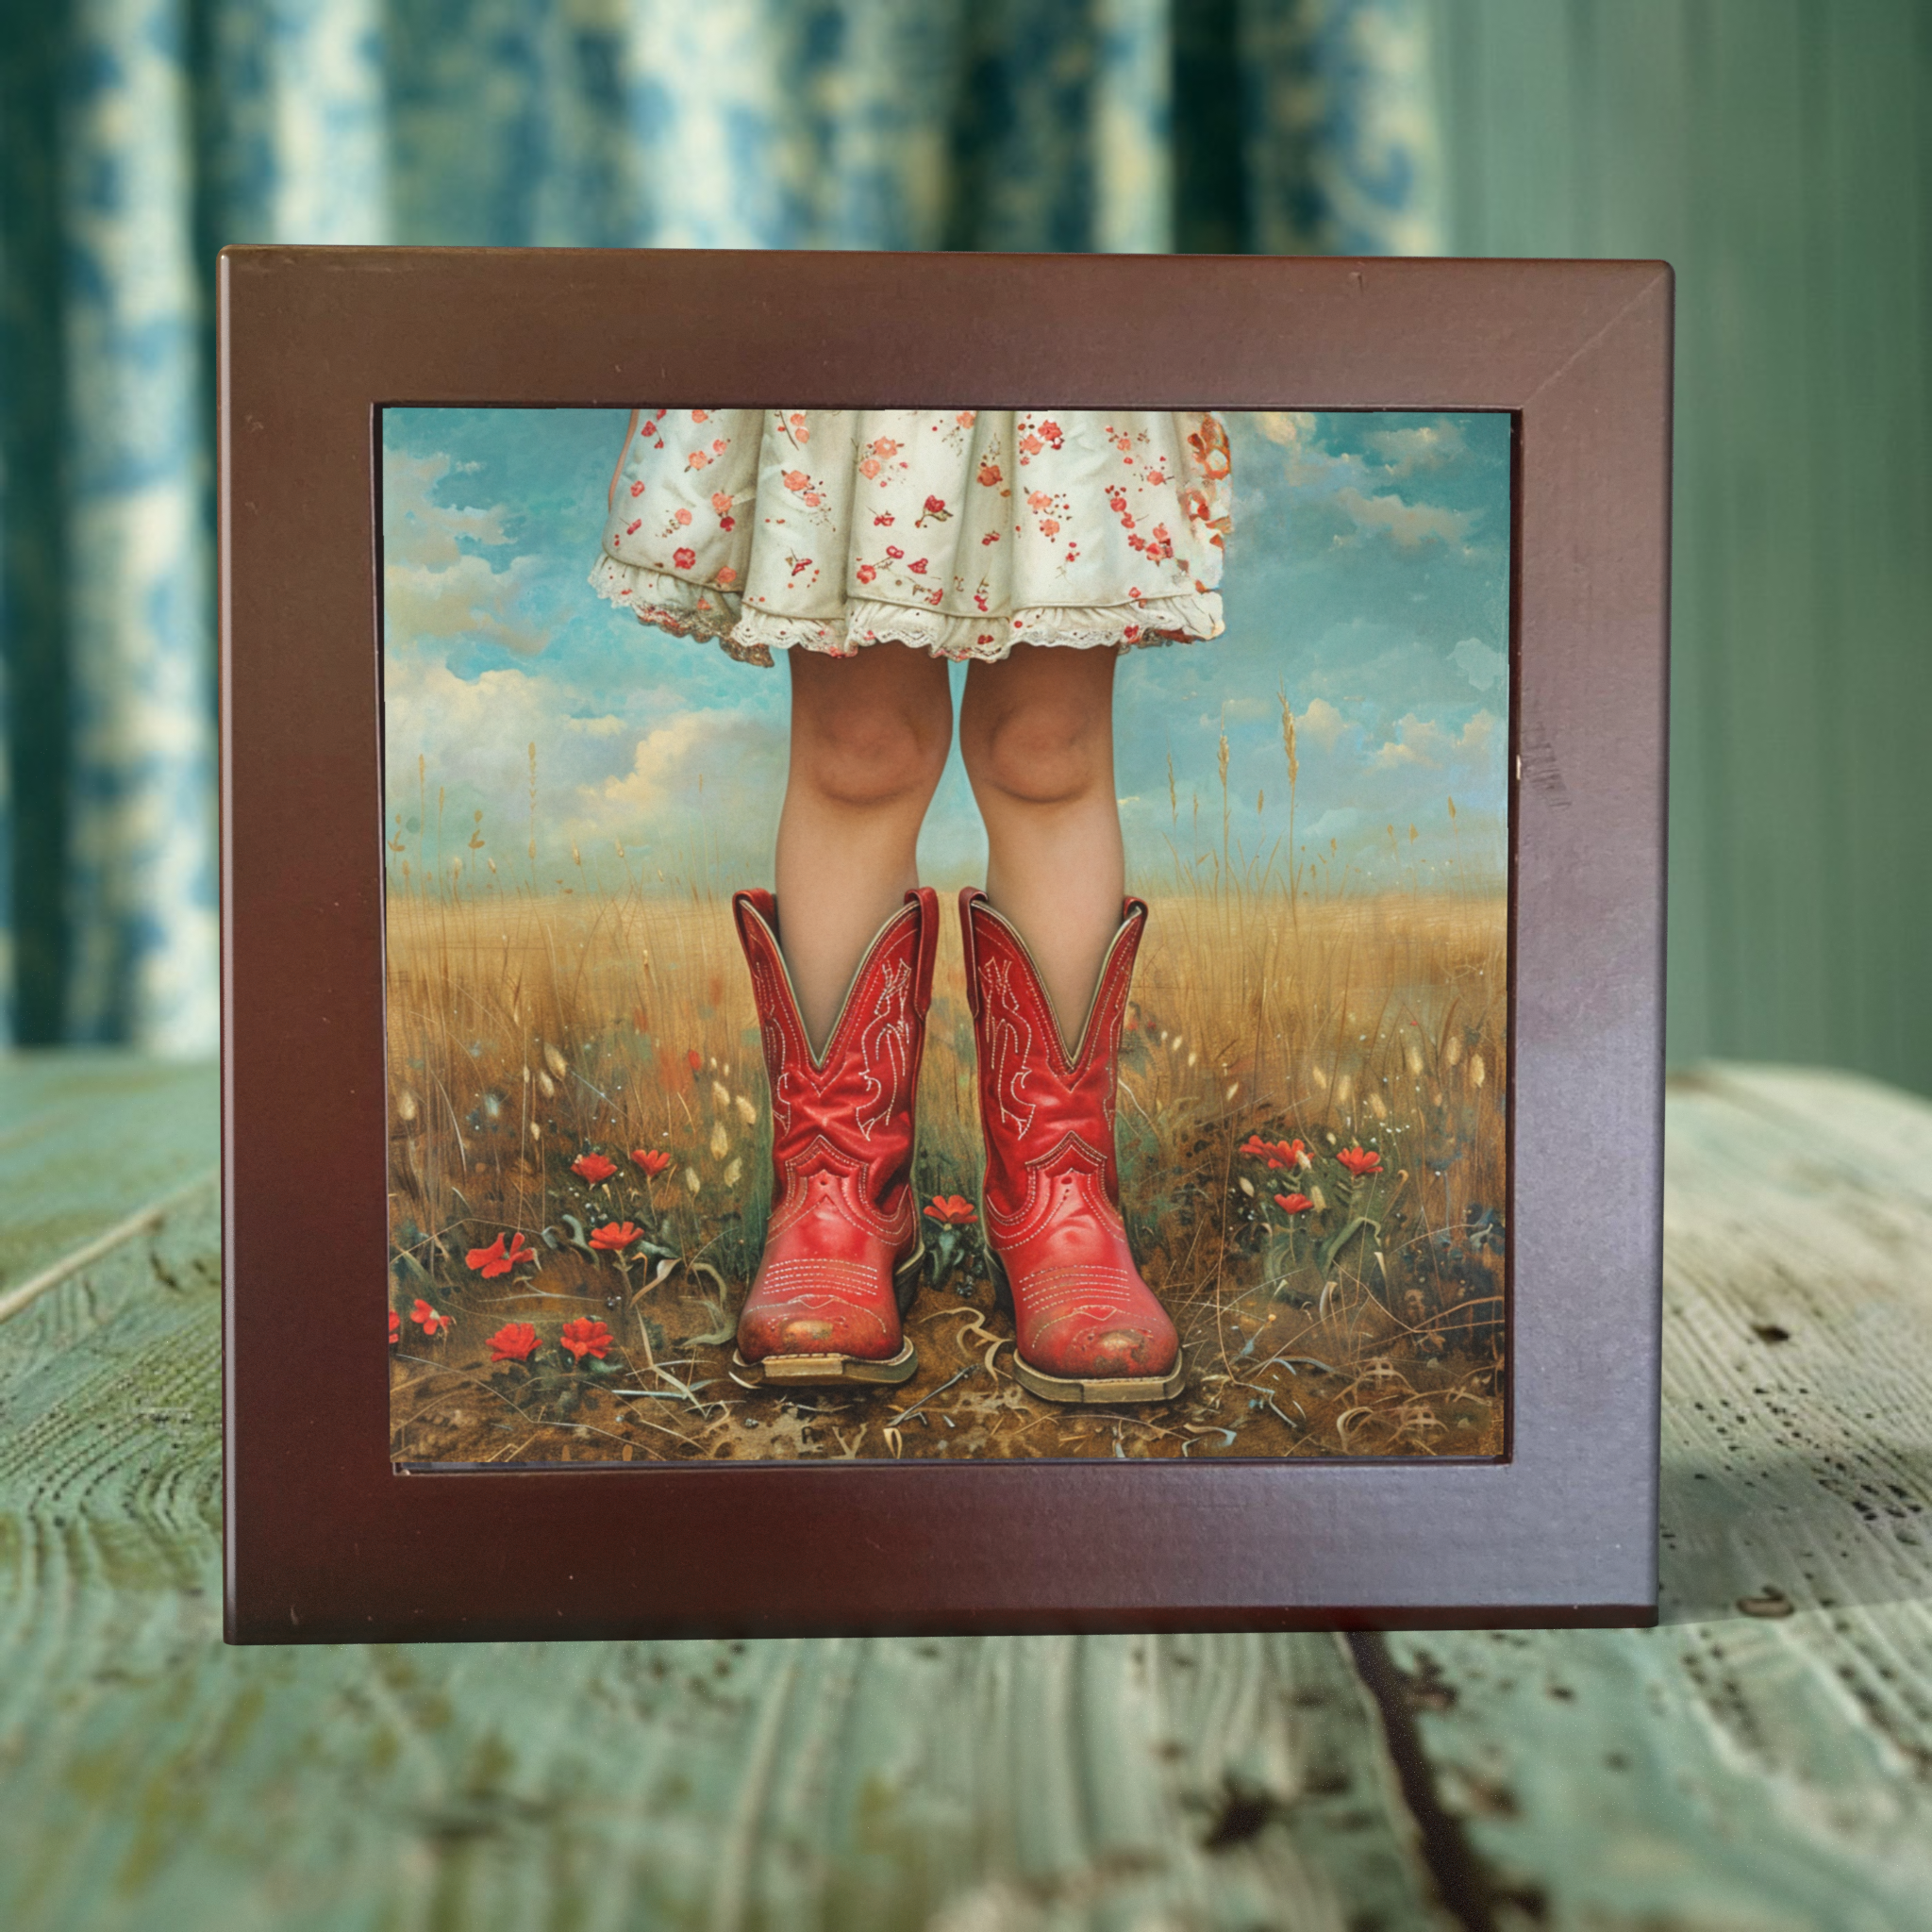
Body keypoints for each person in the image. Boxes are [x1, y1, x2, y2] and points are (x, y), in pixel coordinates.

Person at [590, 408, 1231, 1405]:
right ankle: (838, 1192)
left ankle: (1056, 1196)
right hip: (858, 326)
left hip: (1053, 320)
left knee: (1046, 748)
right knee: (859, 747)